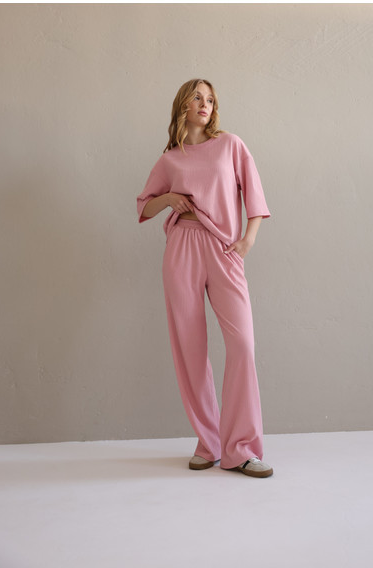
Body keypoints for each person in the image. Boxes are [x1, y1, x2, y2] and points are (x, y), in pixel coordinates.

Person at [137, 78, 273, 478]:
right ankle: (209, 441)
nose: (205, 103)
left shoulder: (231, 145)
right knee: (190, 349)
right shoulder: (170, 159)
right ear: (183, 103)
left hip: (224, 249)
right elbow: (144, 207)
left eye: (210, 99)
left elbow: (255, 196)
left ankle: (241, 449)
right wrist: (168, 199)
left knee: (242, 344)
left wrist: (247, 240)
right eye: (198, 96)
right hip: (182, 248)